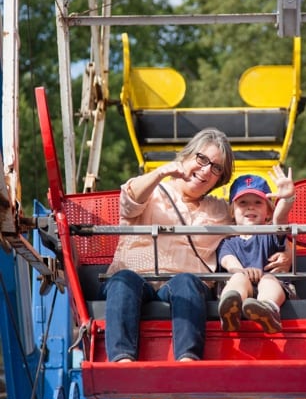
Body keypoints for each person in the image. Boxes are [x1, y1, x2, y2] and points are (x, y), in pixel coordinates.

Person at [101, 128, 290, 362]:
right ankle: (122, 360)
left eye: (216, 168)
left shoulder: (220, 210)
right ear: (186, 156)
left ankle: (188, 359)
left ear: (219, 179)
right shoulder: (152, 190)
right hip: (137, 277)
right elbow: (130, 202)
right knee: (123, 280)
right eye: (202, 159)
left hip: (182, 285)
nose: (206, 171)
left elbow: (255, 222)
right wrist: (161, 172)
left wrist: (287, 252)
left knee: (188, 281)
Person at [217, 169, 297, 332]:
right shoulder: (227, 241)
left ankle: (268, 308)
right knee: (238, 278)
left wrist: (287, 199)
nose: (250, 207)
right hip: (241, 285)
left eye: (258, 203)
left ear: (268, 211)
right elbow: (228, 260)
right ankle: (231, 309)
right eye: (243, 203)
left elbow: (280, 220)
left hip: (270, 284)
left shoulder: (270, 234)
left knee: (268, 280)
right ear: (232, 210)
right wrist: (242, 271)